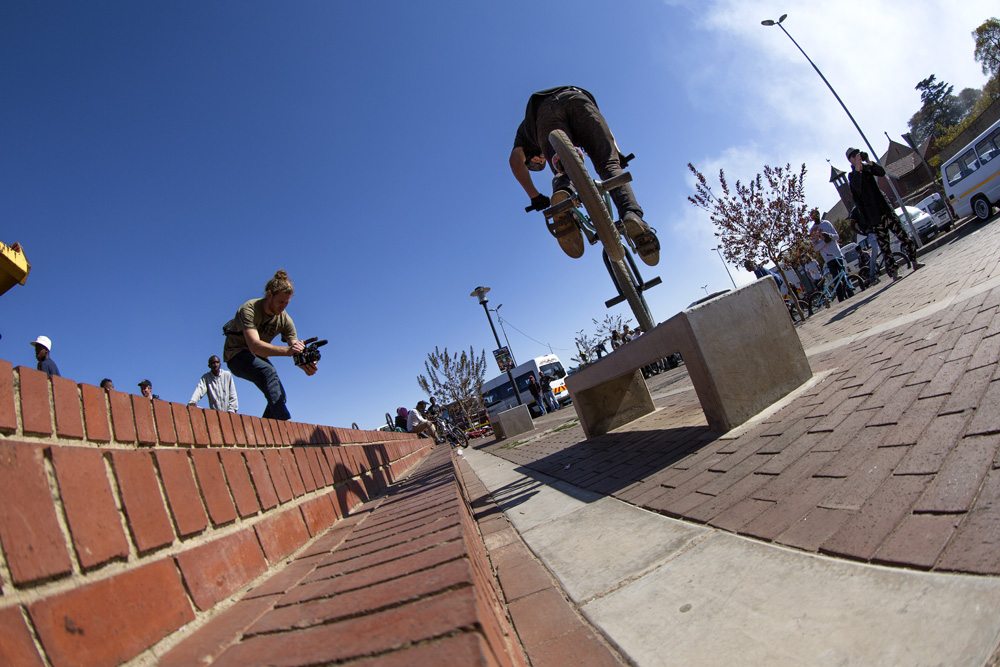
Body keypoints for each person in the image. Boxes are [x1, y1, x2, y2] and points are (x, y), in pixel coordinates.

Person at [509, 86, 660, 265]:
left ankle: (562, 206)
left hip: (545, 113)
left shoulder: (525, 129)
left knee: (561, 170)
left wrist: (534, 197)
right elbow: (607, 132)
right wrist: (617, 153)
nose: (538, 158)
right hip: (579, 100)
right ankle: (633, 217)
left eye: (535, 161)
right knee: (609, 165)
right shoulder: (529, 133)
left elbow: (515, 161)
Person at [223, 269, 317, 421]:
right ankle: (286, 427)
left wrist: (305, 362)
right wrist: (288, 351)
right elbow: (254, 345)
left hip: (256, 356)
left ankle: (265, 432)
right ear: (269, 295)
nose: (283, 307)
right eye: (280, 302)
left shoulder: (285, 319)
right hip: (236, 355)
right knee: (269, 372)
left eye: (286, 303)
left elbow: (294, 347)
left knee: (280, 396)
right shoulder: (249, 309)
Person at [846, 147, 924, 280]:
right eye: (855, 155)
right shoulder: (852, 176)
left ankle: (914, 261)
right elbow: (857, 189)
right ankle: (894, 273)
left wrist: (869, 162)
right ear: (851, 159)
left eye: (858, 154)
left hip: (886, 211)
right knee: (885, 247)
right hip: (875, 218)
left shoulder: (867, 168)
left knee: (904, 236)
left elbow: (881, 172)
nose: (858, 156)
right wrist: (858, 170)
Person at [809, 208, 854, 302]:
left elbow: (836, 236)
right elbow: (815, 248)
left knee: (844, 274)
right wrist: (824, 242)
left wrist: (829, 236)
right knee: (836, 278)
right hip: (828, 258)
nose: (815, 217)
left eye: (816, 214)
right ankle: (841, 299)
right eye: (813, 216)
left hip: (837, 254)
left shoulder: (826, 223)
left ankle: (851, 294)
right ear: (811, 218)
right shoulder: (813, 230)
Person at [848, 205, 880, 284]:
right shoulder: (855, 210)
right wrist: (861, 232)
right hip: (869, 232)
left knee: (884, 247)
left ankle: (892, 270)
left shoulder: (867, 203)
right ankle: (872, 276)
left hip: (878, 228)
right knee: (875, 252)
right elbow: (852, 226)